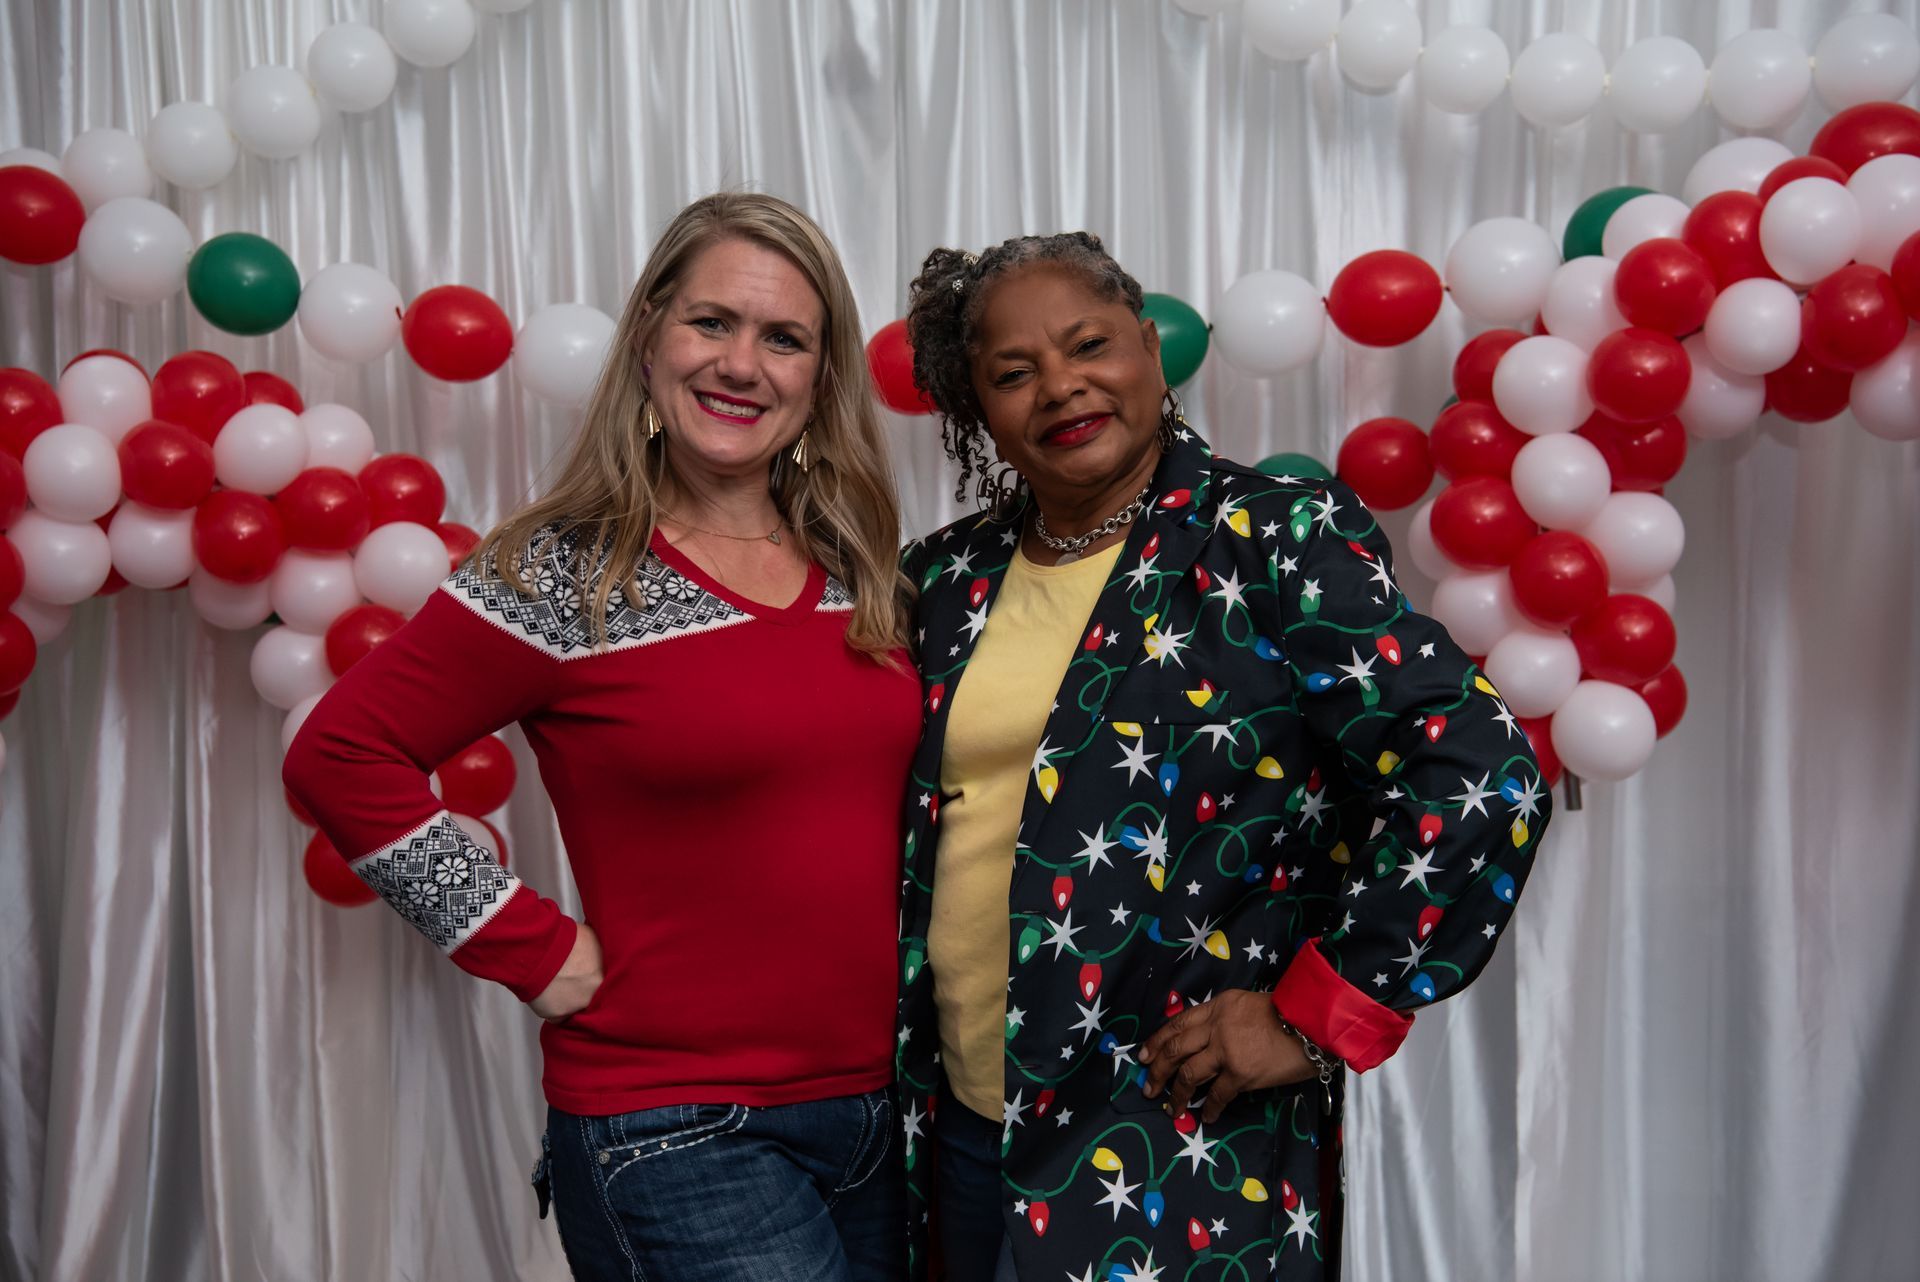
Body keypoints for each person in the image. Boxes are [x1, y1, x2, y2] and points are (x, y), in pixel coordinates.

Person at [892, 232, 1550, 1281]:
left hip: (1171, 1143)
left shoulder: (1277, 539)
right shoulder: (942, 578)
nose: (1061, 386)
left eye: (1088, 344)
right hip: (961, 1132)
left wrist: (1324, 1011)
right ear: (979, 413)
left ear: (1149, 348)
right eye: (1013, 374)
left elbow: (1479, 775)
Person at [284, 192, 918, 1282]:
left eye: (784, 338)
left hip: (875, 1116)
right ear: (649, 343)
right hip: (675, 1129)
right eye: (711, 322)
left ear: (819, 382)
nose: (742, 363)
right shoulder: (565, 573)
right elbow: (339, 753)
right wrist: (525, 945)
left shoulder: (856, 569)